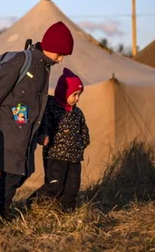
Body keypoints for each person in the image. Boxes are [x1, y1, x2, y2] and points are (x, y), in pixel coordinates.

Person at [0, 21, 75, 221]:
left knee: (21, 174)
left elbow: (41, 104)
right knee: (11, 176)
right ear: (50, 47)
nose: (61, 60)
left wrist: (43, 131)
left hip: (27, 133)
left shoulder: (45, 67)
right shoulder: (21, 60)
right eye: (60, 54)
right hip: (8, 130)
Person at [26, 68, 90, 212]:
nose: (77, 98)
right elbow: (44, 125)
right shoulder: (51, 109)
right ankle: (33, 203)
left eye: (79, 95)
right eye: (74, 94)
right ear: (63, 92)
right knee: (54, 186)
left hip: (74, 158)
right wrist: (42, 137)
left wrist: (81, 144)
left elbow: (84, 131)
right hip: (55, 156)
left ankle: (66, 213)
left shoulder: (77, 113)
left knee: (72, 187)